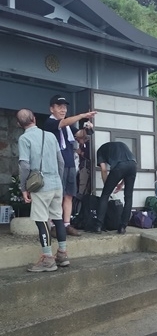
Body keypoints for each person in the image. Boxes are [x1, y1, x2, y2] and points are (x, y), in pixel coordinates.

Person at [17, 108, 70, 272]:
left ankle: (48, 259)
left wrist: (24, 187)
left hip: (41, 186)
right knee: (58, 219)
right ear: (34, 118)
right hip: (56, 184)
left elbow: (25, 165)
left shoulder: (24, 138)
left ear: (19, 124)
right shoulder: (50, 136)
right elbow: (61, 162)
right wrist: (58, 180)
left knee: (41, 221)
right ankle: (62, 254)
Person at [43, 95, 97, 237]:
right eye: (59, 106)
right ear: (51, 109)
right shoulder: (50, 122)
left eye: (65, 107)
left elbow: (80, 134)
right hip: (55, 164)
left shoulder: (68, 127)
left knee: (69, 195)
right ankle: (54, 224)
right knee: (56, 196)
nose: (63, 109)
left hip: (70, 163)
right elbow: (63, 123)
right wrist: (82, 115)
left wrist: (87, 128)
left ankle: (67, 224)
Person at [95, 141, 137, 234]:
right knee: (128, 197)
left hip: (119, 166)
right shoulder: (123, 144)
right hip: (133, 165)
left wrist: (107, 185)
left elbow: (104, 169)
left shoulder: (100, 150)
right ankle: (123, 227)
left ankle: (98, 226)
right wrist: (122, 183)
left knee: (105, 195)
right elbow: (128, 164)